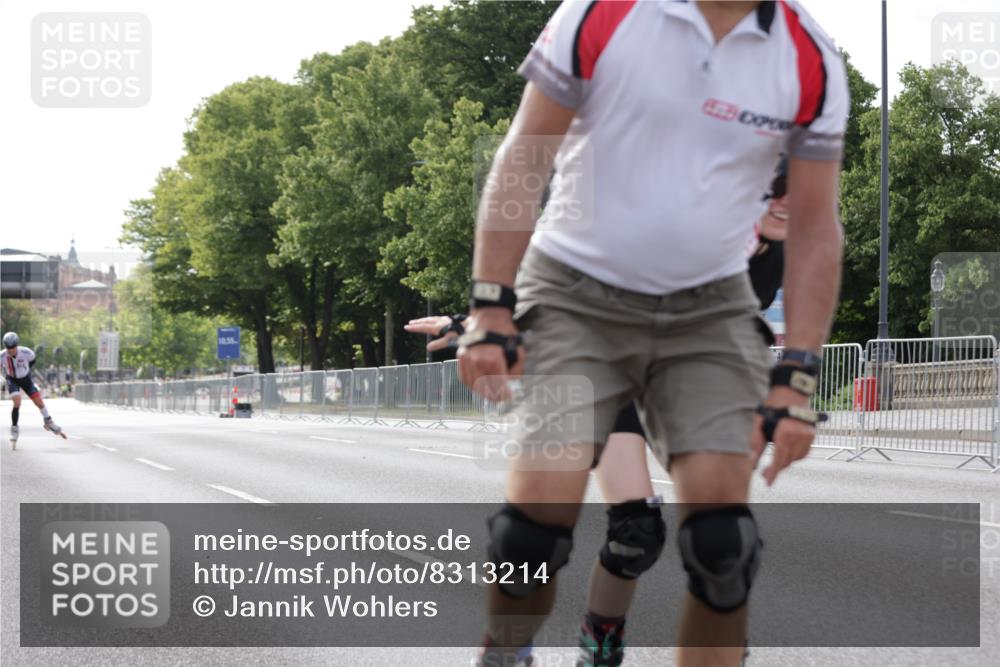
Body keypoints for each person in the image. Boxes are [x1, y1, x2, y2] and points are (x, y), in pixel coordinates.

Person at [454, 1, 848, 665]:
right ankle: (507, 651)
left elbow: (813, 222)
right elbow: (527, 153)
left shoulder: (809, 57)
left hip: (710, 310)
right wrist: (492, 303)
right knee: (531, 532)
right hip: (575, 290)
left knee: (724, 545)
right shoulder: (605, 12)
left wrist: (798, 374)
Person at [404, 160, 792, 667]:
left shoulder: (790, 237)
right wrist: (483, 317)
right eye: (776, 188)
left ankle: (607, 639)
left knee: (721, 545)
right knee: (621, 531)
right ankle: (515, 645)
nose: (790, 202)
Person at [3, 332, 64, 448]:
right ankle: (14, 429)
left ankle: (48, 421)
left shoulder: (26, 352)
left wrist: (25, 369)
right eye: (8, 348)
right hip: (12, 379)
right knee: (17, 401)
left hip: (26, 379)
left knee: (39, 402)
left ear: (17, 345)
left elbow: (32, 360)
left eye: (13, 347)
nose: (11, 350)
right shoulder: (2, 356)